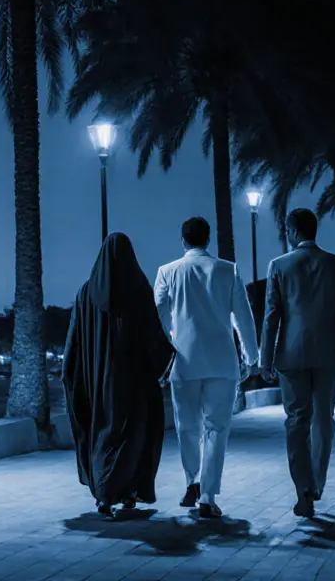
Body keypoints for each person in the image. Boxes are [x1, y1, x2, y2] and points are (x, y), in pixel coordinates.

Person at [260, 208, 335, 519]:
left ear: (292, 232)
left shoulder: (278, 265)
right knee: (323, 419)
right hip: (329, 355)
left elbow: (271, 317)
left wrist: (265, 359)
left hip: (291, 357)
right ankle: (317, 482)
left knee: (296, 421)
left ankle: (302, 489)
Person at [63, 232, 175, 518]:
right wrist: (166, 361)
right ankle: (126, 492)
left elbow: (73, 341)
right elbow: (153, 335)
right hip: (134, 381)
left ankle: (106, 496)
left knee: (104, 433)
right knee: (135, 435)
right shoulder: (138, 289)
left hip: (97, 382)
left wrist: (73, 375)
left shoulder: (85, 294)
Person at [153, 216, 259, 519]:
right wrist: (251, 357)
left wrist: (167, 350)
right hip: (222, 361)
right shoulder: (228, 270)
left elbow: (159, 316)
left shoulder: (167, 272)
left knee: (187, 427)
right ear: (208, 239)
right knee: (217, 428)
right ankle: (208, 496)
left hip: (183, 361)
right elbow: (243, 317)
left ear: (183, 240)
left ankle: (192, 482)